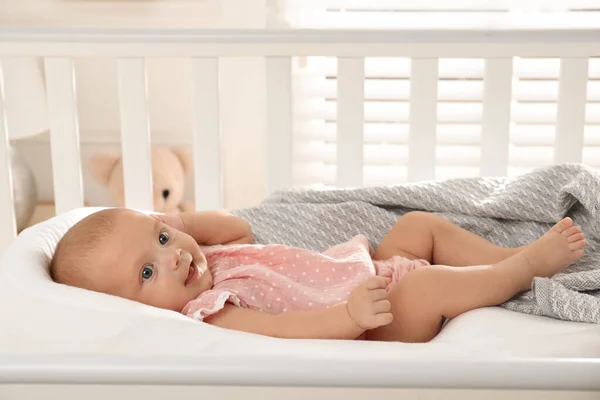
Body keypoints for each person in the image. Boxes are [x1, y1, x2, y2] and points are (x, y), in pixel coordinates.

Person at [49, 208, 586, 343]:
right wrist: (349, 317)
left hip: (369, 271)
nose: (173, 257)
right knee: (426, 287)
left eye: (162, 239)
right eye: (148, 271)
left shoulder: (210, 259)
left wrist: (183, 224)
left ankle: (501, 252)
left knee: (417, 226)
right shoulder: (211, 313)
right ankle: (522, 269)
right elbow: (287, 334)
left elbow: (237, 228)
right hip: (377, 318)